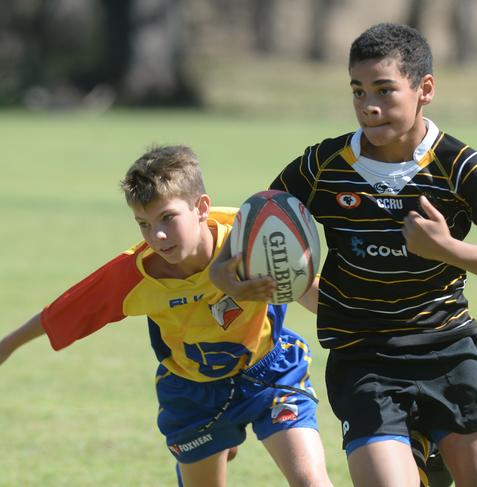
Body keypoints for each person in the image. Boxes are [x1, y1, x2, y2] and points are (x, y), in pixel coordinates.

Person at [211, 23, 477, 487]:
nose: (369, 106)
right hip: (363, 357)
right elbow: (236, 248)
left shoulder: (460, 165)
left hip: (448, 349)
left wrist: (445, 248)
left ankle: (428, 453)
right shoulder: (322, 165)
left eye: (385, 91)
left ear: (425, 89)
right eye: (358, 91)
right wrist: (232, 279)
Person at [0, 145, 333, 487]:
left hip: (269, 371)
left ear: (201, 207)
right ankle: (222, 437)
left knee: (310, 480)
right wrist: (6, 346)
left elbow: (302, 288)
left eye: (168, 218)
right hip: (192, 394)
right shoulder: (134, 275)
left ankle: (228, 437)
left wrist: (372, 324)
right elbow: (61, 313)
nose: (157, 236)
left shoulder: (248, 234)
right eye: (143, 224)